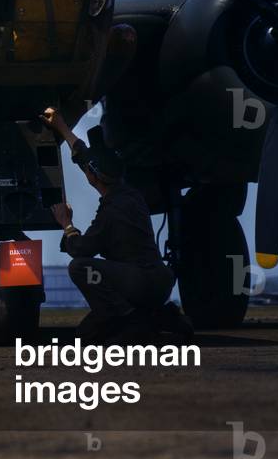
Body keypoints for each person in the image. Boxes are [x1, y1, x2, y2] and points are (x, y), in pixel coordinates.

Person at [39, 107, 190, 343]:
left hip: (139, 282)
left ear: (92, 177)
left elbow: (81, 248)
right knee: (86, 333)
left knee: (79, 268)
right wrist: (61, 125)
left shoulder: (111, 212)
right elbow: (88, 159)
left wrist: (67, 224)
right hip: (158, 281)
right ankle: (159, 316)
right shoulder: (130, 193)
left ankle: (128, 319)